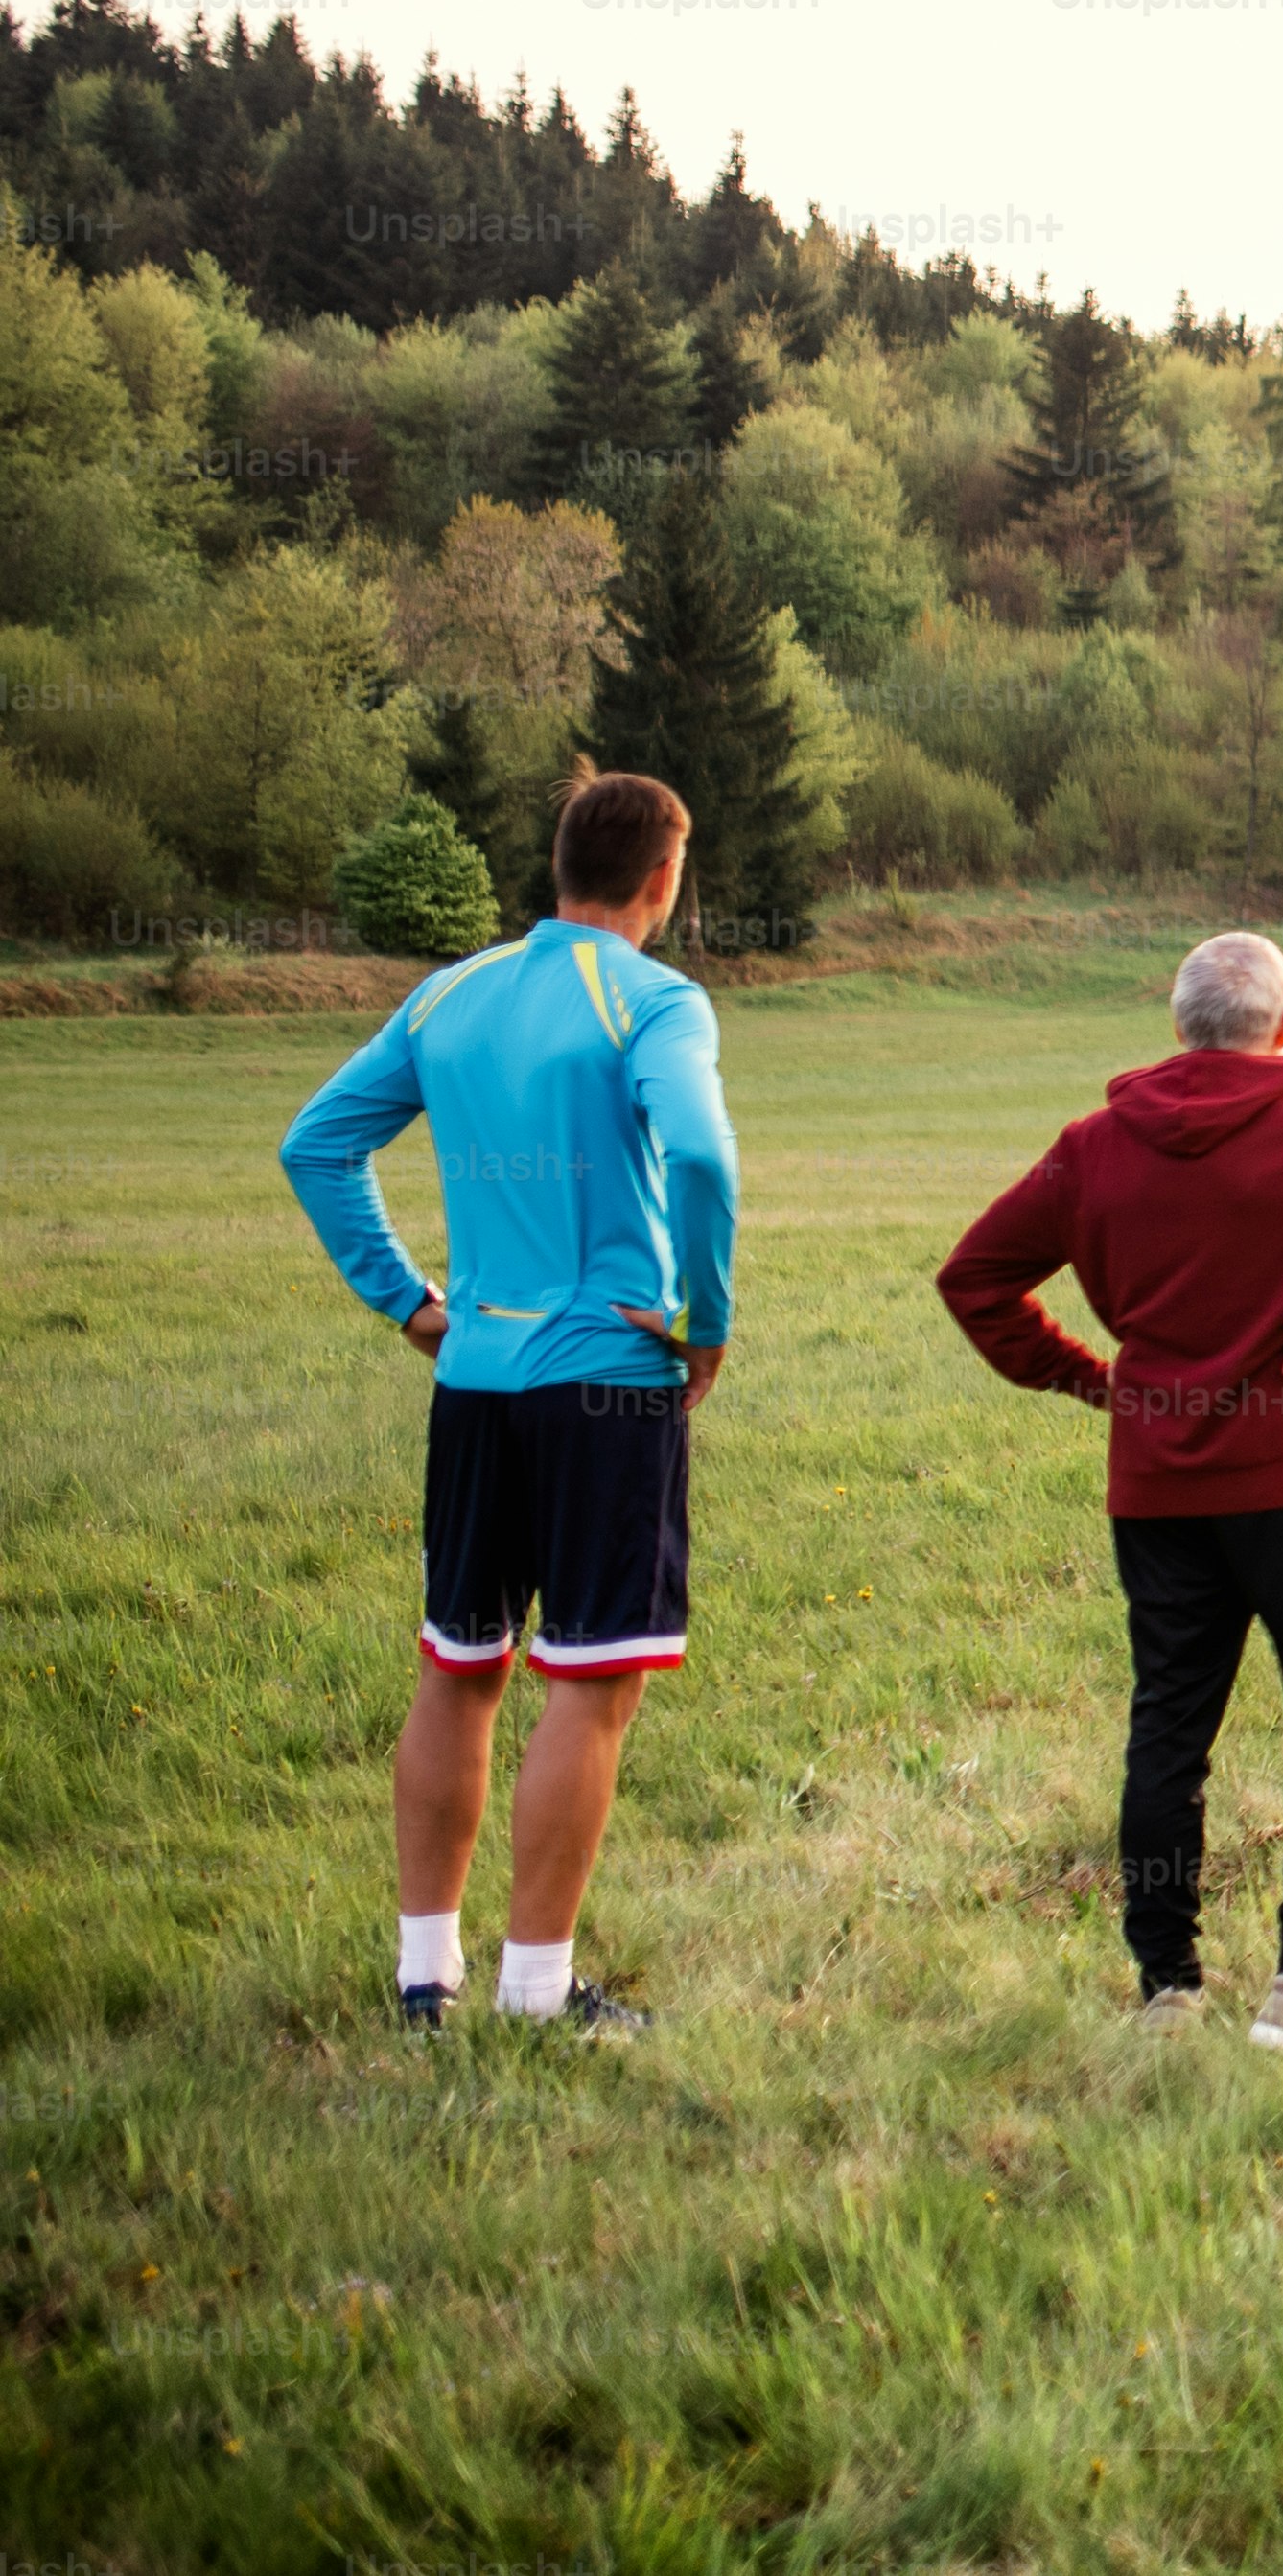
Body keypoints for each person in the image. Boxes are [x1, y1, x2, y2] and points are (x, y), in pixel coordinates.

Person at [938, 930, 1283, 2055]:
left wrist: (1093, 1378)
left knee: (1168, 1732)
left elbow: (975, 1277)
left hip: (1156, 1487)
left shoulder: (1093, 1149)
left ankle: (1167, 1988)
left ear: (1178, 1024)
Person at [279, 767, 739, 2039]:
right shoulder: (656, 998)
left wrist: (411, 1302)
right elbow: (698, 1150)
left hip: (474, 1381)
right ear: (663, 879)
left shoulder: (450, 993)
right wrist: (704, 1319)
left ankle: (423, 1983)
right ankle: (537, 1995)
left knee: (458, 1666)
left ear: (557, 867)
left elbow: (315, 1144)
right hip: (607, 1384)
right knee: (588, 1682)